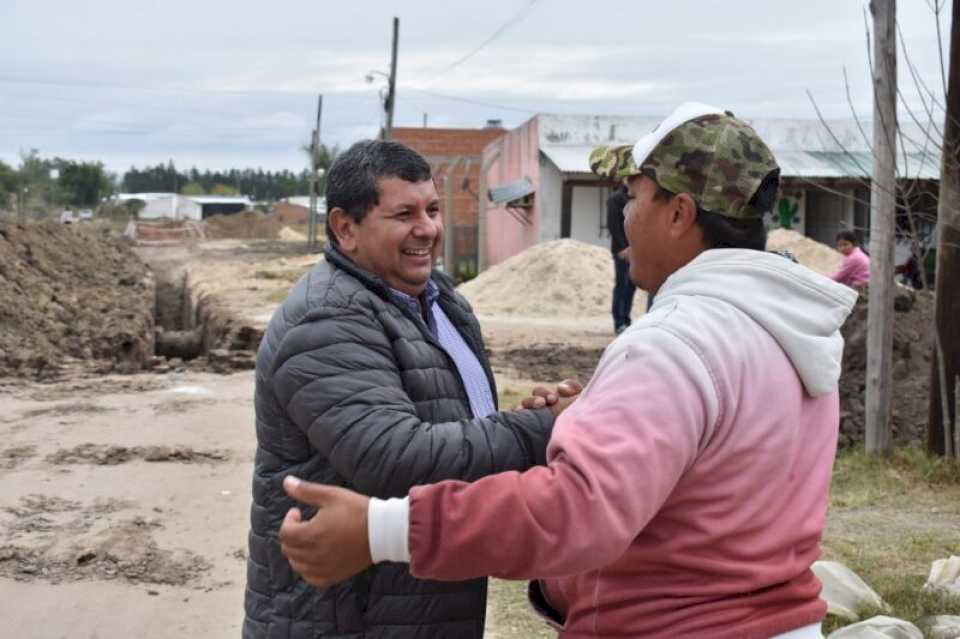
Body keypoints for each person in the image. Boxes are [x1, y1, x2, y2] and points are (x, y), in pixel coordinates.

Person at [276, 104, 859, 638]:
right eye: (404, 213)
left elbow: (576, 511)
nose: (624, 220)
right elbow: (694, 518)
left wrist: (384, 530)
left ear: (679, 213)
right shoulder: (786, 332)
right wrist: (584, 427)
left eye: (633, 198)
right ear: (343, 227)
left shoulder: (674, 345)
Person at [242, 139, 560, 638]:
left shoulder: (443, 302)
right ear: (346, 228)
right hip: (351, 616)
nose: (428, 229)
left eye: (433, 209)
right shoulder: (326, 317)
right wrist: (544, 428)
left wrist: (538, 424)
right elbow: (396, 457)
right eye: (404, 214)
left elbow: (463, 430)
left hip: (425, 599)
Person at [606, 184, 636, 334]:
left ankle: (626, 319)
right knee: (622, 285)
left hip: (635, 250)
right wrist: (622, 248)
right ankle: (619, 322)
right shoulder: (615, 199)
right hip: (622, 250)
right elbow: (613, 225)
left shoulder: (635, 198)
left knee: (631, 286)